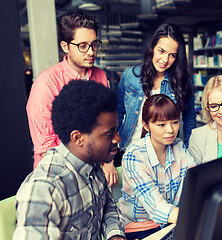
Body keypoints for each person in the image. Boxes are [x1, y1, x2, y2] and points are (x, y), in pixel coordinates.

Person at [14, 80, 126, 240]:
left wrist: (115, 236)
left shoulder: (92, 163)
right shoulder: (45, 188)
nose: (118, 138)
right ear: (78, 138)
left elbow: (107, 206)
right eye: (109, 134)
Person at [26, 11, 118, 186]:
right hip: (58, 179)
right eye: (83, 45)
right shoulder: (47, 83)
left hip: (94, 174)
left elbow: (106, 126)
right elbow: (46, 148)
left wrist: (108, 161)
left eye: (94, 44)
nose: (91, 52)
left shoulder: (100, 76)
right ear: (65, 46)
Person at [118, 94, 197, 240]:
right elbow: (156, 207)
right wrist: (195, 217)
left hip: (170, 222)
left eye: (174, 122)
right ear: (146, 125)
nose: (170, 130)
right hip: (140, 227)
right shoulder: (134, 156)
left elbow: (196, 180)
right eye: (161, 125)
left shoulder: (178, 146)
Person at [116, 23, 196, 160]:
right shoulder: (130, 76)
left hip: (164, 154)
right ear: (152, 47)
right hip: (128, 149)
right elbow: (117, 112)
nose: (165, 60)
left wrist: (188, 150)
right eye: (161, 51)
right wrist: (110, 151)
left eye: (172, 55)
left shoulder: (183, 82)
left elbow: (189, 119)